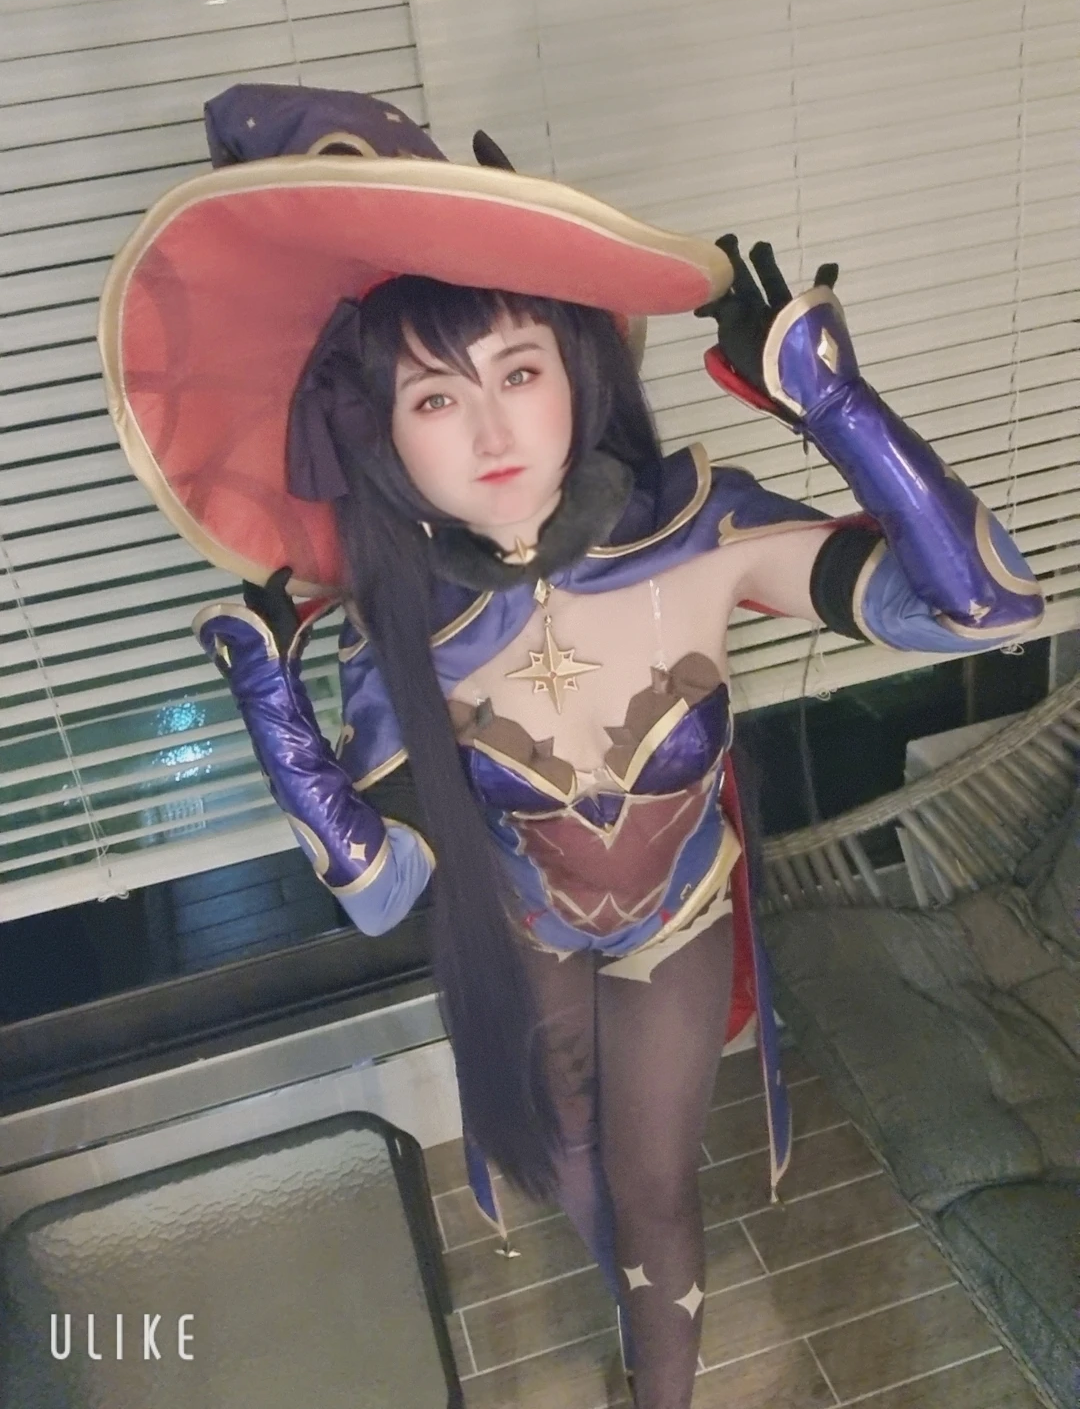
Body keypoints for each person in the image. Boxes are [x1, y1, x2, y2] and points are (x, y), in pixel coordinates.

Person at [99, 84, 1045, 1409]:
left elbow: (986, 605)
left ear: (578, 367)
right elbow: (381, 888)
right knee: (568, 1147)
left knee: (656, 1184)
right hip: (520, 926)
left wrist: (835, 405)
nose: (493, 433)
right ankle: (631, 1302)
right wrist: (274, 707)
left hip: (675, 919)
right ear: (379, 432)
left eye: (519, 371)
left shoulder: (700, 528)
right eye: (436, 397)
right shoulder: (401, 622)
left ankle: (660, 1382)